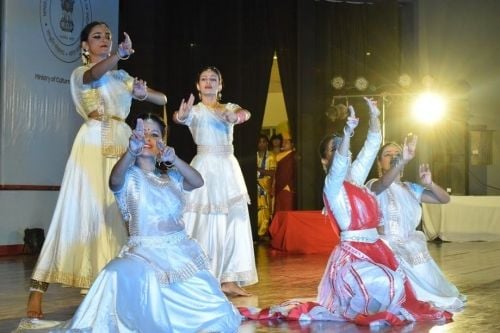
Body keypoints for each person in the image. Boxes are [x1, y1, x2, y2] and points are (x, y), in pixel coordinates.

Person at [17, 114, 242, 332]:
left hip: (180, 253)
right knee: (113, 274)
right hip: (144, 254)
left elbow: (197, 181)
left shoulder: (172, 178)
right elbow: (114, 180)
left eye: (154, 134)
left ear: (162, 143)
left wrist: (174, 160)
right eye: (142, 133)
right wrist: (129, 153)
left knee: (217, 311)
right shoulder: (128, 177)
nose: (147, 139)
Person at [26, 21, 167, 319]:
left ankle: (108, 286)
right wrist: (119, 54)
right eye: (97, 37)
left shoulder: (121, 76)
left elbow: (162, 99)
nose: (104, 40)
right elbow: (94, 74)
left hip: (123, 144)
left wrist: (143, 93)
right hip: (91, 144)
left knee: (119, 215)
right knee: (77, 212)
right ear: (85, 46)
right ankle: (37, 290)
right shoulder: (81, 74)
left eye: (108, 36)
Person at [316, 98, 451, 326]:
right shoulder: (332, 185)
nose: (341, 148)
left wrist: (375, 116)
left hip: (374, 249)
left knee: (397, 285)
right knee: (389, 285)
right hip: (353, 255)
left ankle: (371, 308)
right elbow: (339, 165)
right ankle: (354, 308)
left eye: (342, 144)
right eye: (335, 146)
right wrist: (347, 133)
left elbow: (371, 147)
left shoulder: (355, 179)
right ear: (323, 160)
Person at [173, 66, 258, 296]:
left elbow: (244, 113)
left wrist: (236, 116)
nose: (208, 82)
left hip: (228, 167)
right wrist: (181, 115)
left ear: (220, 85)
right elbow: (181, 118)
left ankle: (229, 279)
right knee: (203, 221)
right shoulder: (196, 110)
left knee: (233, 221)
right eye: (204, 79)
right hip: (204, 167)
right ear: (198, 85)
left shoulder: (228, 108)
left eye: (213, 79)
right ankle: (200, 274)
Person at [366, 136, 466, 311]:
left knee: (436, 295)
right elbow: (383, 184)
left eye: (397, 154)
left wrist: (430, 183)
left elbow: (444, 199)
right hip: (386, 245)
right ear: (380, 162)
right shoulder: (374, 184)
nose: (393, 157)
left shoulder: (410, 188)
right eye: (387, 154)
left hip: (410, 244)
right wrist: (403, 159)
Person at [257, 134, 276, 239]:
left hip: (265, 186)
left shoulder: (271, 156)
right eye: (260, 142)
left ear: (267, 143)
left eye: (264, 141)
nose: (262, 144)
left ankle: (263, 233)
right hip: (254, 186)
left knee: (265, 210)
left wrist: (259, 170)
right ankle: (256, 232)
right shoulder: (254, 155)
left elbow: (272, 172)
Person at [274, 132, 296, 213]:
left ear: (292, 144)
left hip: (287, 189)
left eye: (286, 142)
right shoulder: (280, 155)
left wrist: (289, 186)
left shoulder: (294, 156)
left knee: (287, 212)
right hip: (279, 188)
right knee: (279, 212)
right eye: (283, 142)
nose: (283, 144)